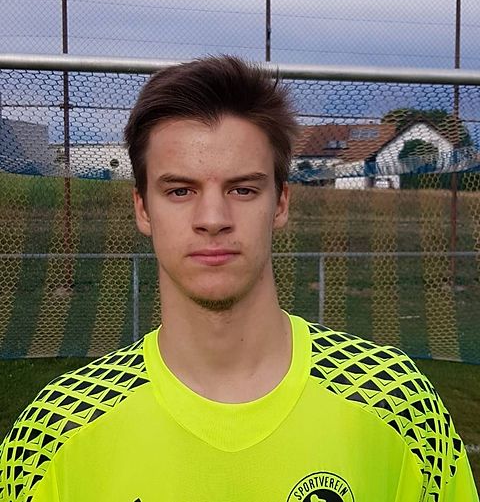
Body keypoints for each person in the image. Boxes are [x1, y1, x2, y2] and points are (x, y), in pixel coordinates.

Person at [0, 56, 477, 502]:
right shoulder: (53, 434)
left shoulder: (399, 404)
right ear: (142, 208)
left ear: (281, 202)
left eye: (243, 189)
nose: (213, 218)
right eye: (180, 190)